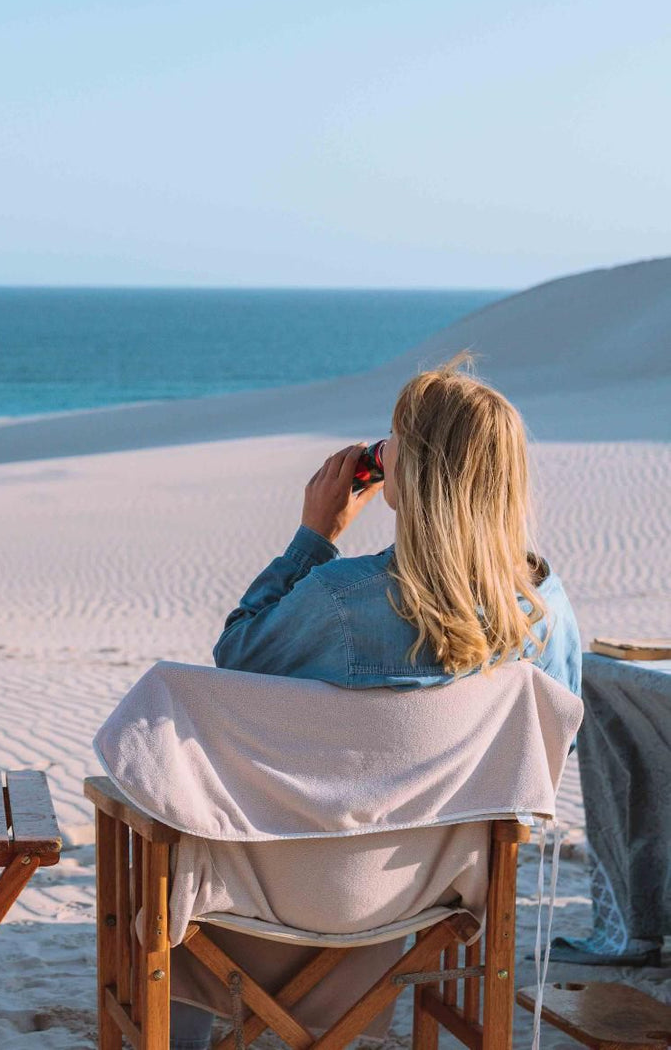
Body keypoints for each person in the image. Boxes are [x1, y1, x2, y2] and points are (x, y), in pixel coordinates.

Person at [170, 357, 583, 1049]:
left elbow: (235, 655)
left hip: (267, 893)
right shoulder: (542, 613)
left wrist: (314, 536)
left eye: (391, 439)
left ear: (407, 470)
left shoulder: (337, 599)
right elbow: (547, 754)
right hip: (435, 901)